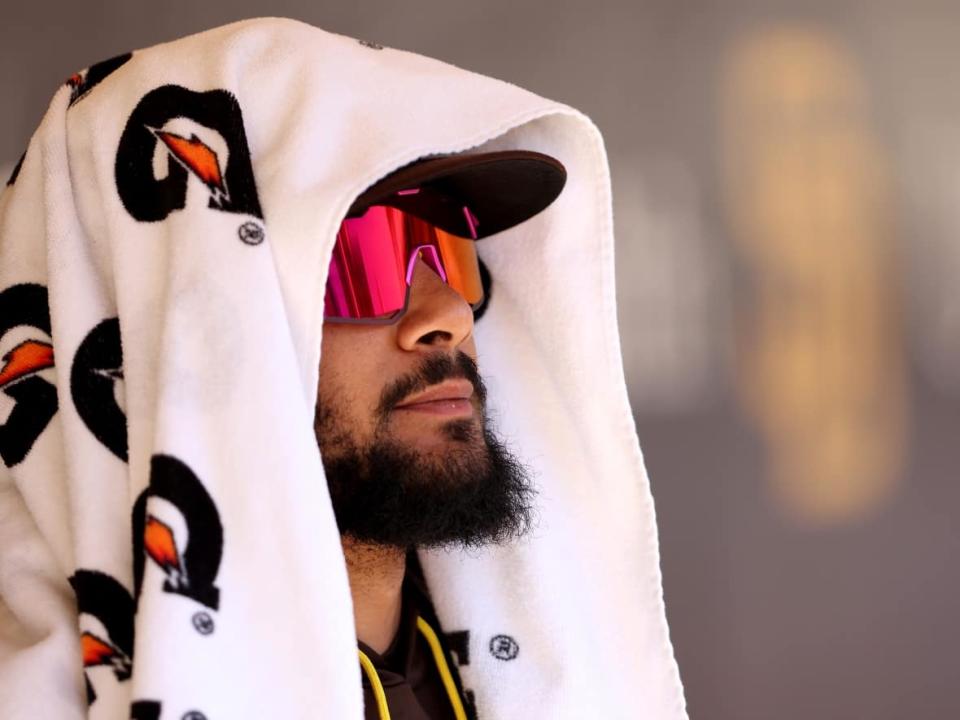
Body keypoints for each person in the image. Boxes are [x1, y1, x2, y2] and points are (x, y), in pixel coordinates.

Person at [0, 17, 688, 720]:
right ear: (162, 327)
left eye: (452, 252)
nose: (445, 314)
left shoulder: (536, 680)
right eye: (360, 260)